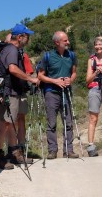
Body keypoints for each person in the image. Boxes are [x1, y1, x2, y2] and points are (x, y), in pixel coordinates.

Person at [0, 24, 39, 169]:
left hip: (15, 92)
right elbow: (12, 69)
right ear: (20, 37)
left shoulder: (14, 50)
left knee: (11, 123)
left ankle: (14, 152)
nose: (28, 39)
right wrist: (30, 79)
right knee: (5, 124)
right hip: (9, 92)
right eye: (27, 36)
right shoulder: (12, 50)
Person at [37, 31, 79, 159]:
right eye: (65, 40)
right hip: (51, 92)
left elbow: (74, 73)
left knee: (68, 121)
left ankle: (68, 150)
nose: (68, 42)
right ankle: (52, 150)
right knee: (52, 122)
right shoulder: (48, 56)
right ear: (57, 42)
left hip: (66, 92)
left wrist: (70, 80)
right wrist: (55, 81)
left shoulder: (71, 55)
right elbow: (40, 75)